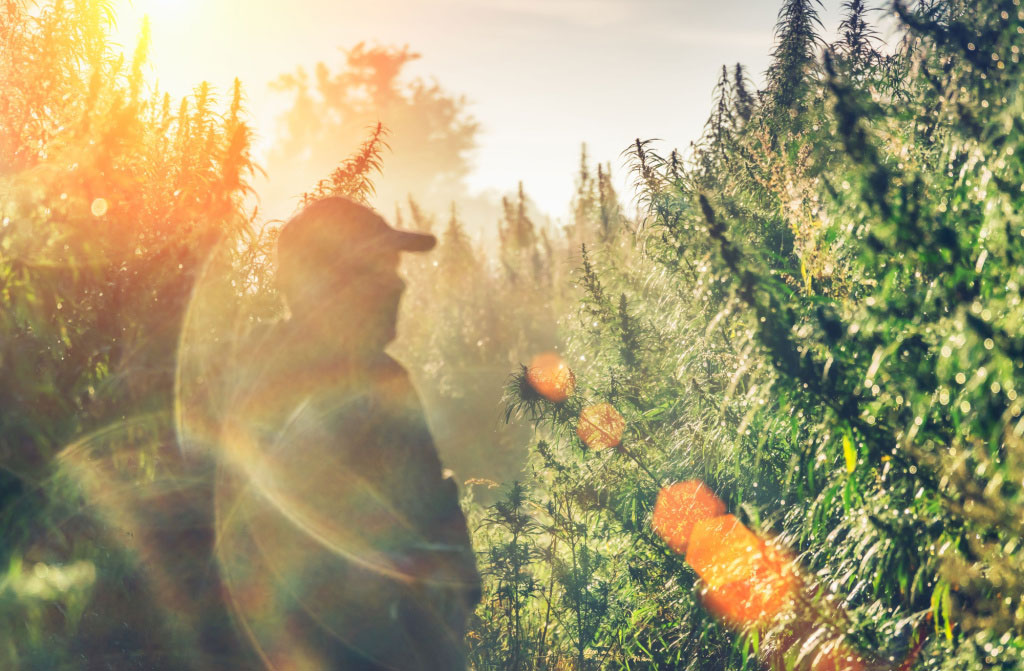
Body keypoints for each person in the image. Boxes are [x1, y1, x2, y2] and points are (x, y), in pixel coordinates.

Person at [214, 197, 481, 671]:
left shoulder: (384, 380)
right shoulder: (267, 383)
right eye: (376, 267)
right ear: (326, 281)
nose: (398, 283)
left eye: (394, 267)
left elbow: (430, 510)